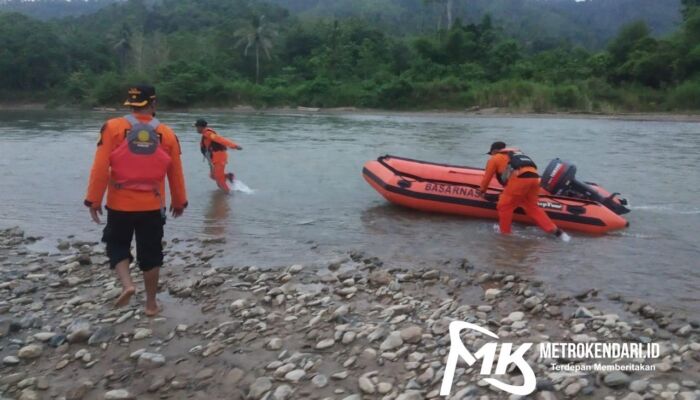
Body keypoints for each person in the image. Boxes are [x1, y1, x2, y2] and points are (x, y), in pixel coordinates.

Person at [84, 85, 188, 316]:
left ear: (129, 104)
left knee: (116, 244)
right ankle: (151, 304)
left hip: (120, 204)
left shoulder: (112, 128)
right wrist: (179, 201)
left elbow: (100, 167)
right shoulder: (167, 133)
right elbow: (175, 172)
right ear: (154, 104)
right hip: (152, 205)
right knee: (151, 253)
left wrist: (93, 199)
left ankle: (128, 285)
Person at [479, 141, 570, 241]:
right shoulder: (517, 154)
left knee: (504, 206)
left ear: (495, 151)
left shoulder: (495, 158)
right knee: (532, 207)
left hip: (519, 180)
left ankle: (505, 235)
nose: (490, 156)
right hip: (535, 179)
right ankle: (557, 232)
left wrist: (482, 190)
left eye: (491, 153)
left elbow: (487, 177)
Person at [195, 119, 242, 193]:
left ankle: (228, 196)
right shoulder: (205, 134)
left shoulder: (208, 134)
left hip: (219, 157)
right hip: (213, 159)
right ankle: (229, 177)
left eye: (196, 127)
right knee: (213, 176)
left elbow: (220, 139)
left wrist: (234, 146)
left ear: (200, 127)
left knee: (219, 180)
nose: (196, 129)